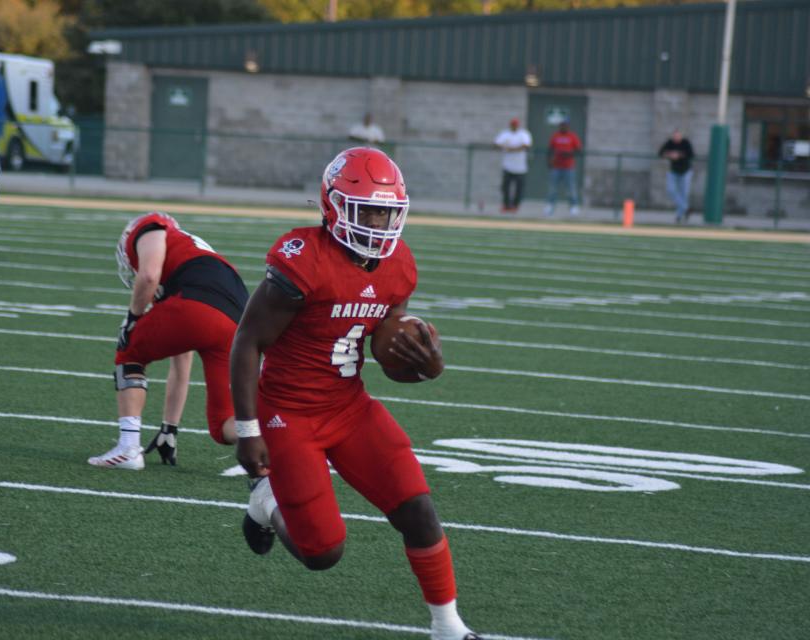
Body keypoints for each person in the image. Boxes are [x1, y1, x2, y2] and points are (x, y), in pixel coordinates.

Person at [230, 147, 483, 640]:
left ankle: (448, 626)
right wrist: (248, 429)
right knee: (322, 553)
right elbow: (247, 340)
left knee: (418, 510)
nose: (378, 221)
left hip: (349, 406)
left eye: (387, 210)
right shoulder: (303, 260)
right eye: (366, 208)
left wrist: (423, 361)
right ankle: (266, 500)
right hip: (290, 415)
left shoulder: (398, 265)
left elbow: (383, 339)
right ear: (333, 205)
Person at [88, 212, 249, 470]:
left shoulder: (150, 225)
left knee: (128, 352)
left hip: (199, 302)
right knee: (224, 425)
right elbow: (181, 365)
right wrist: (169, 428)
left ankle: (128, 447)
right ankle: (277, 437)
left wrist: (132, 319)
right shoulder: (190, 255)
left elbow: (149, 276)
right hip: (237, 319)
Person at [544, 119, 583, 217]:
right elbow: (550, 149)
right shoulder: (555, 136)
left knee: (571, 188)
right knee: (553, 188)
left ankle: (573, 207)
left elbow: (578, 150)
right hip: (556, 166)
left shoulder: (572, 136)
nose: (563, 127)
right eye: (562, 125)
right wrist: (549, 162)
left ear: (568, 126)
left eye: (565, 125)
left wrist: (569, 154)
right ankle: (550, 206)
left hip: (568, 167)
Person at [493, 118, 532, 213]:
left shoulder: (523, 134)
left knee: (519, 188)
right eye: (513, 124)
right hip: (507, 166)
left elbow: (526, 145)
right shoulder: (505, 134)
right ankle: (506, 205)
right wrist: (506, 147)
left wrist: (512, 149)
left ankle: (515, 206)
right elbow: (496, 144)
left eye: (516, 124)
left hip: (520, 167)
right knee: (505, 187)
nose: (514, 126)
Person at [658, 128, 695, 223]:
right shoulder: (670, 142)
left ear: (681, 136)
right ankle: (686, 208)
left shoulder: (686, 143)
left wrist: (679, 155)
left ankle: (679, 216)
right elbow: (660, 153)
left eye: (678, 136)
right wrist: (670, 154)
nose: (676, 137)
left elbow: (691, 155)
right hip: (674, 172)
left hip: (685, 172)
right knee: (671, 190)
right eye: (675, 136)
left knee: (684, 194)